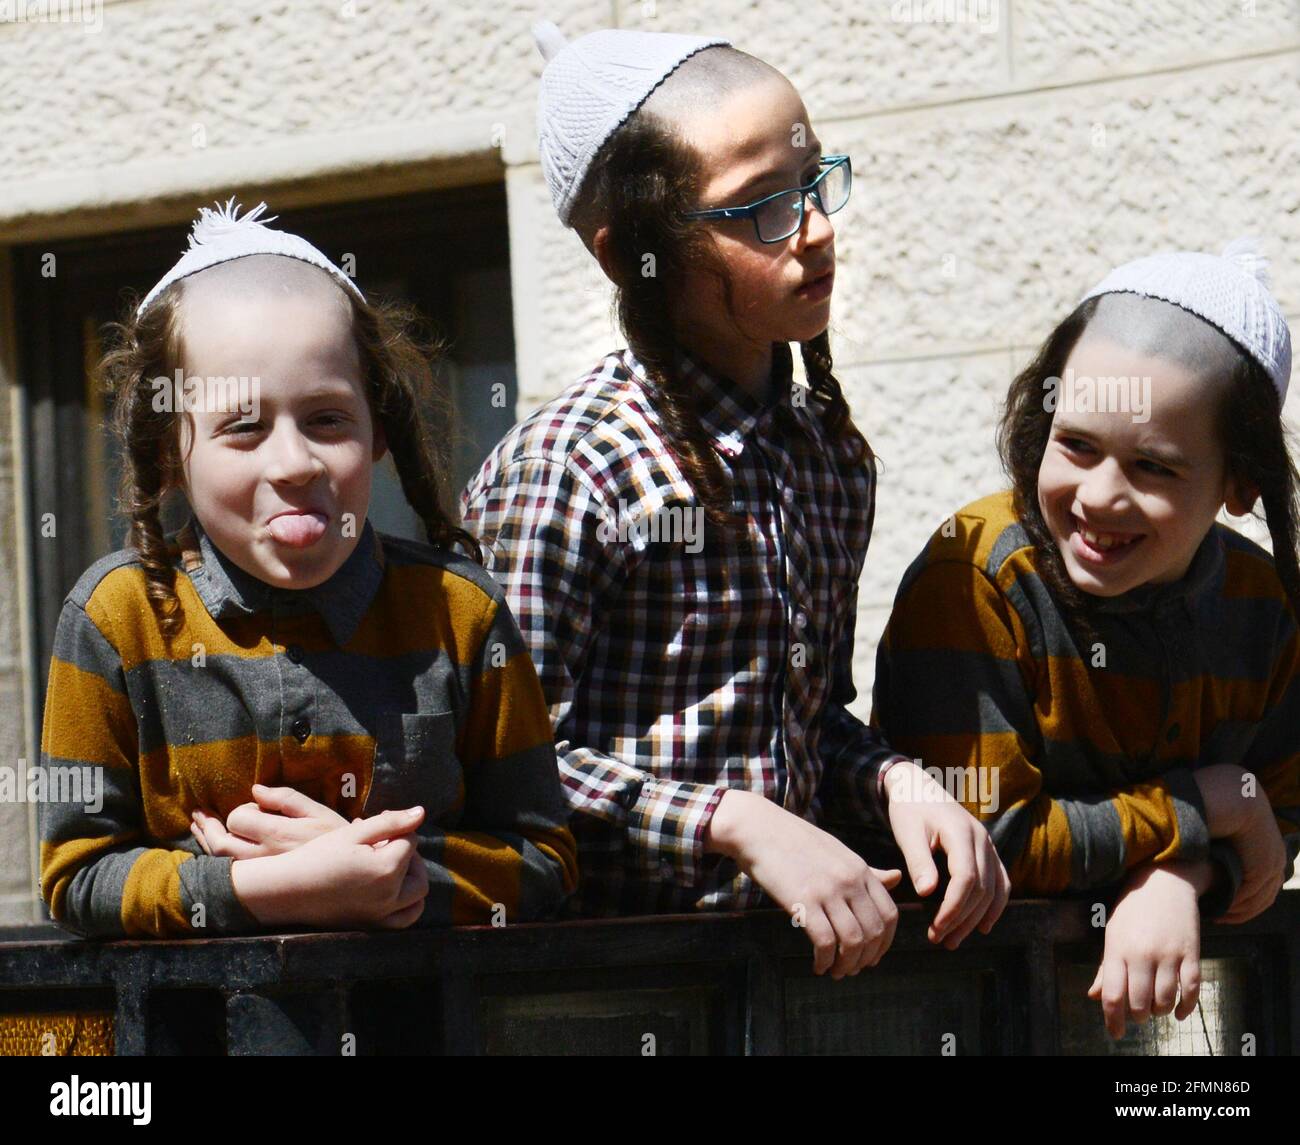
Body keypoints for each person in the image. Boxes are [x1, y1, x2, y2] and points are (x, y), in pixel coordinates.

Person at [459, 22, 1008, 980]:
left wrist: (895, 783)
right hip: (593, 996)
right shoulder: (568, 467)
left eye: (814, 181)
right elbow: (500, 772)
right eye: (758, 206)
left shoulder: (830, 459)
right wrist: (730, 821)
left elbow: (804, 720)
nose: (817, 229)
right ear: (631, 256)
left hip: (794, 991)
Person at [38, 200, 577, 939]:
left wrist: (393, 873)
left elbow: (545, 861)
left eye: (327, 419)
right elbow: (76, 873)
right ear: (170, 448)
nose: (293, 463)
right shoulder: (115, 619)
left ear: (377, 428)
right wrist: (270, 885)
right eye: (243, 427)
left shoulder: (459, 613)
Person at [872, 240, 1300, 1035]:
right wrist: (1208, 800)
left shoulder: (1261, 606)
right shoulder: (974, 575)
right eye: (1076, 445)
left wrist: (1183, 874)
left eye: (1154, 468)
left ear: (1239, 483)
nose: (1100, 496)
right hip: (959, 1007)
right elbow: (988, 840)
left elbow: (1278, 820)